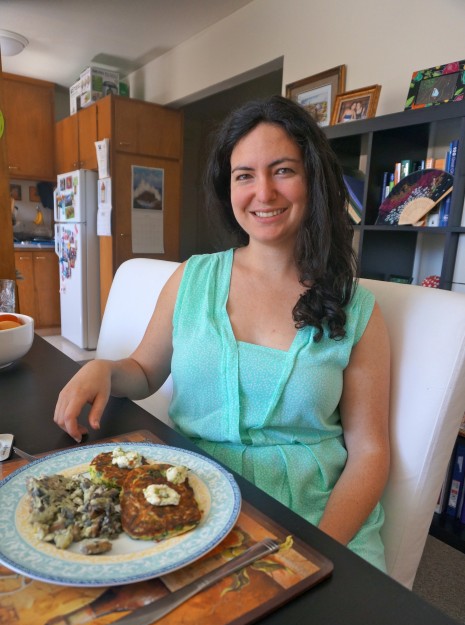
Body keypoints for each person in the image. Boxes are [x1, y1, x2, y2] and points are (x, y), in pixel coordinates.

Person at [54, 95, 390, 571]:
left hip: (317, 519)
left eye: (284, 170)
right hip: (193, 502)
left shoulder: (357, 308)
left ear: (314, 179)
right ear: (227, 187)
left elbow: (370, 450)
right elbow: (144, 371)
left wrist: (321, 549)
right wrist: (104, 369)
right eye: (244, 175)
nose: (264, 193)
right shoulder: (191, 279)